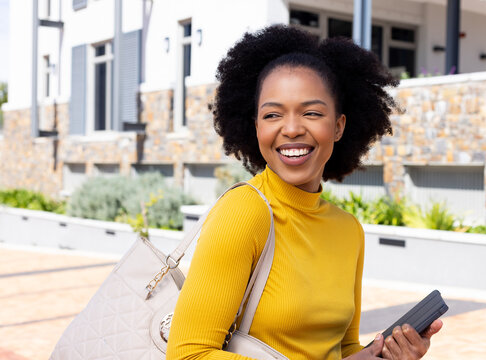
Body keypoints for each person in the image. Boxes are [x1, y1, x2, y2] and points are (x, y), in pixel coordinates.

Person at [166, 24, 442, 360]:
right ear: (257, 127)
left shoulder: (348, 230)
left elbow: (343, 350)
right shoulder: (244, 211)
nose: (293, 128)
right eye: (272, 115)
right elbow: (188, 354)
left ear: (338, 126)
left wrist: (386, 355)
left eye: (311, 113)